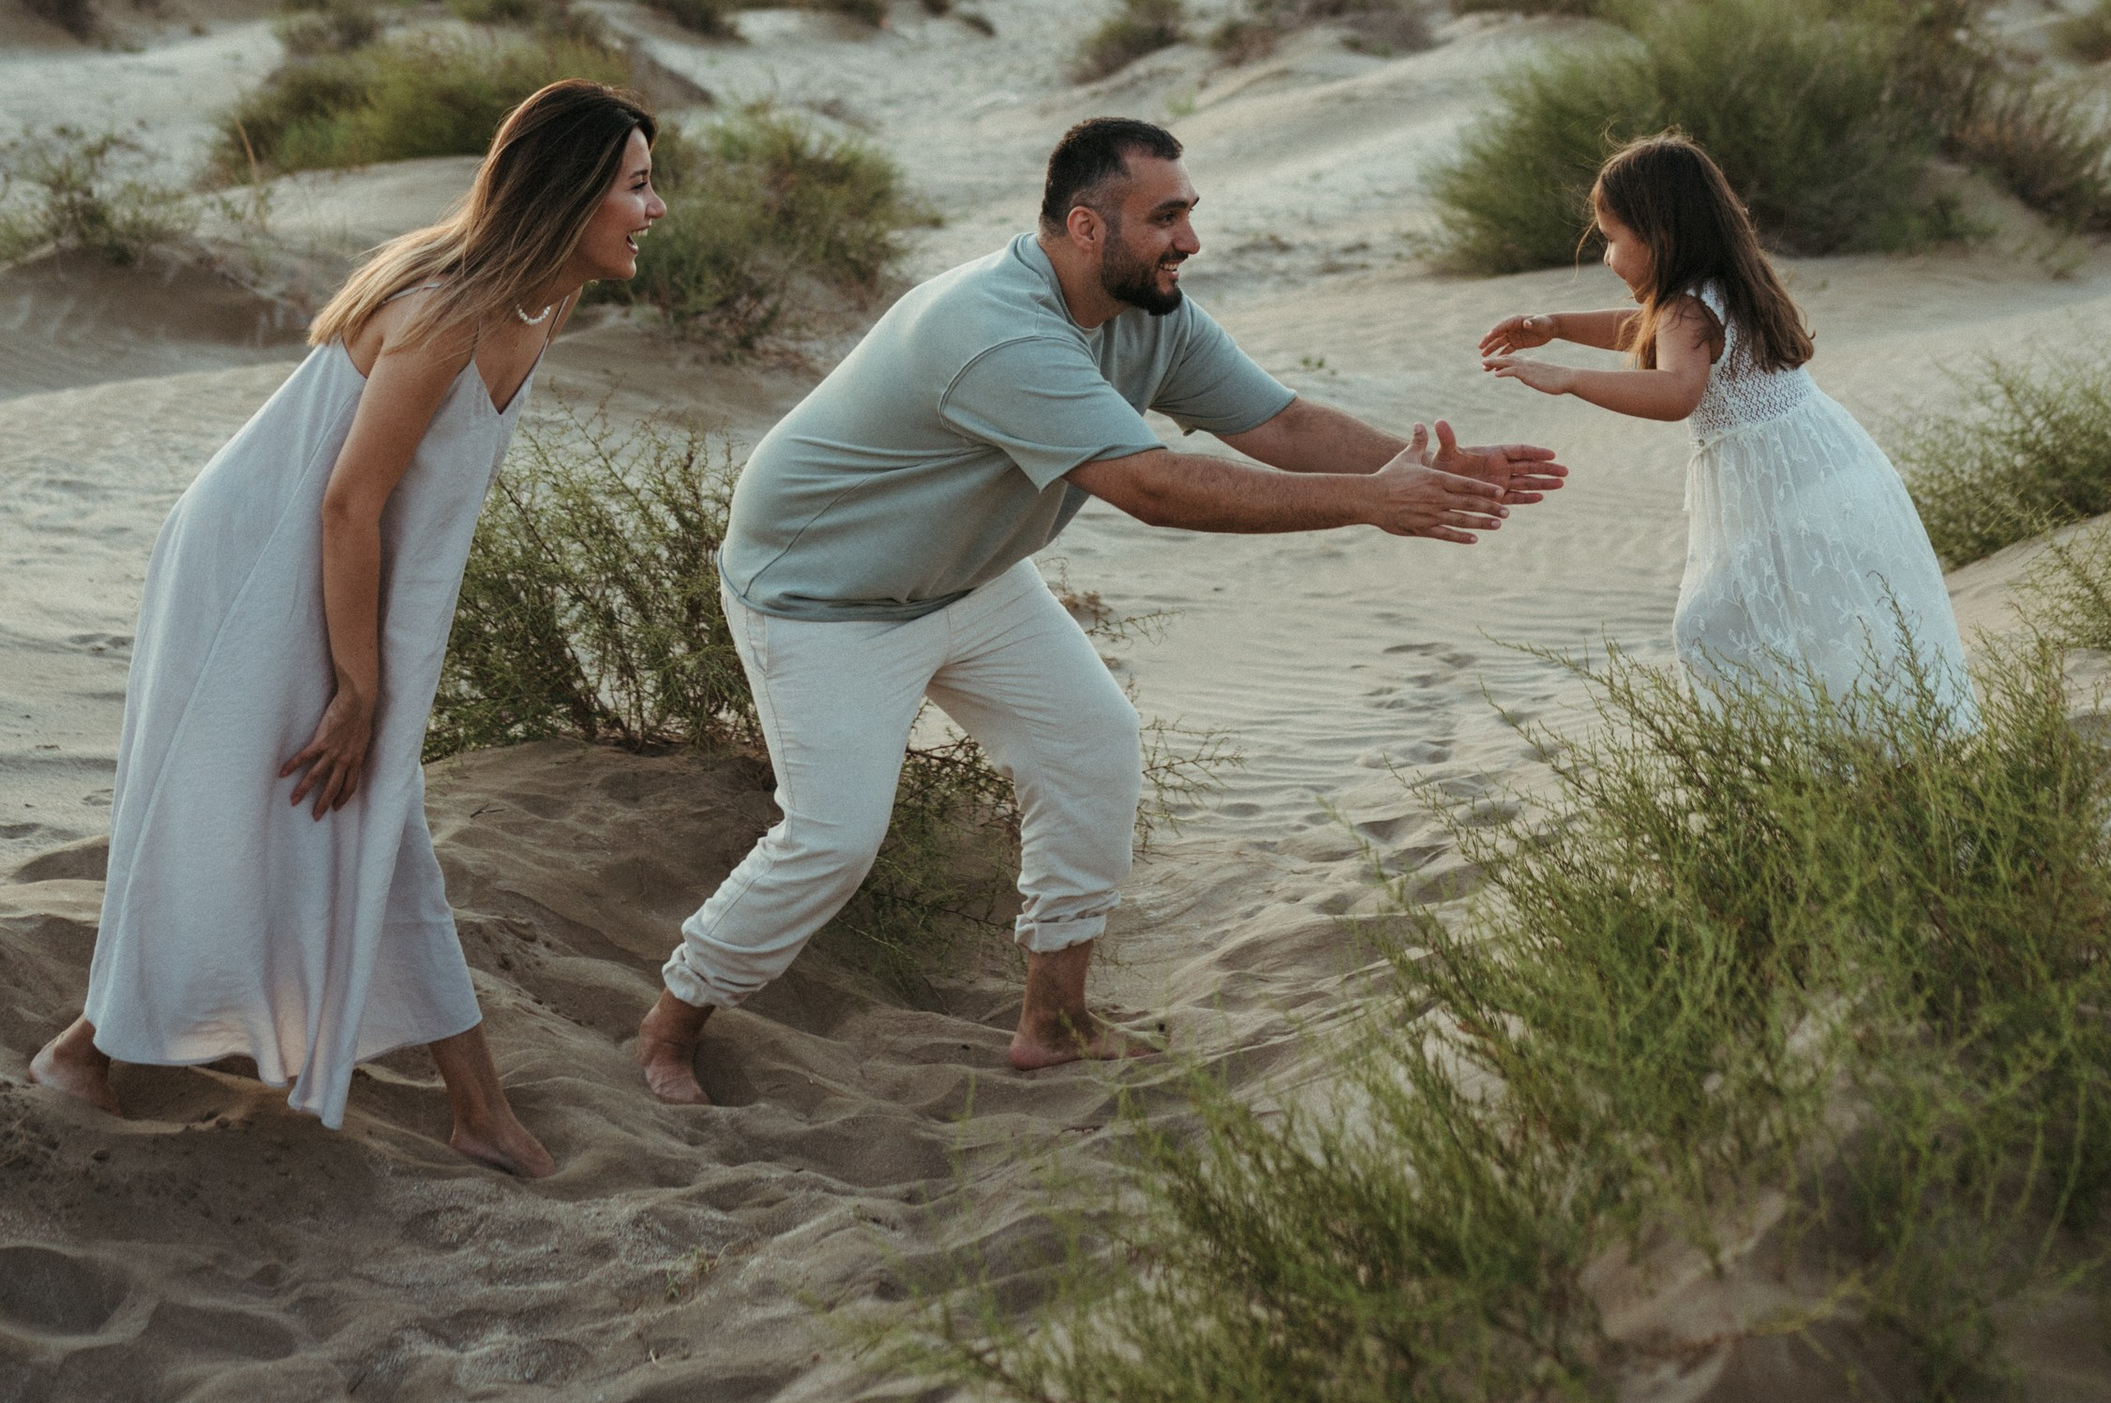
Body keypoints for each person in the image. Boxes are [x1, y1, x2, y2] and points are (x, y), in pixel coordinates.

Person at [638, 113, 1569, 1096]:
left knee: (1091, 748)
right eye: (1165, 218)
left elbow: (1282, 423)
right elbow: (1152, 489)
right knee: (833, 838)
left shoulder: (1149, 311)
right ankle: (671, 1026)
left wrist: (1422, 465)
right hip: (823, 599)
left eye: (1189, 214)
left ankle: (1054, 1022)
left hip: (973, 574)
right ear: (1087, 228)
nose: (1191, 242)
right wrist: (1371, 502)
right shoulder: (993, 329)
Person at [30, 80, 668, 1173]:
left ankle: (470, 1108)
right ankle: (87, 1053)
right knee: (262, 799)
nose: (655, 210)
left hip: (341, 569)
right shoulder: (450, 310)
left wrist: (384, 659)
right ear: (567, 197)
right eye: (638, 186)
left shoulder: (543, 300)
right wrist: (360, 686)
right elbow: (346, 501)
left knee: (358, 809)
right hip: (258, 563)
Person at [1479, 131, 1976, 725]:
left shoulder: (1690, 305)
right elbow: (1647, 329)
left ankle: (1813, 756)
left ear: (1659, 236)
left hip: (1778, 481)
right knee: (1807, 619)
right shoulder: (1718, 284)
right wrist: (1556, 323)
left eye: (1611, 240)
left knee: (1710, 628)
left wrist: (1566, 376)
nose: (1607, 257)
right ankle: (1849, 749)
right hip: (1813, 464)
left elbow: (1675, 393)